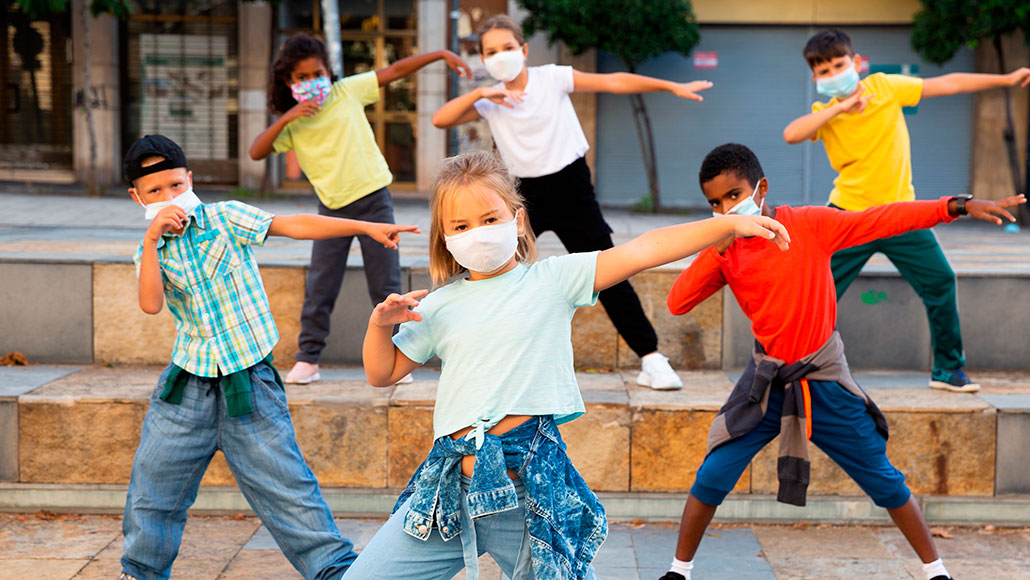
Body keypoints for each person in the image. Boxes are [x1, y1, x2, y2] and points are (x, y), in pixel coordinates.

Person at [343, 150, 790, 579]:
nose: (477, 232)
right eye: (461, 225)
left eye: (489, 219)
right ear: (445, 236)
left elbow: (643, 250)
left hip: (527, 488)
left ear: (517, 220)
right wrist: (379, 325)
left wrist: (728, 225)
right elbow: (382, 373)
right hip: (448, 490)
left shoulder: (554, 280)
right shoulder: (437, 305)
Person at [656, 143, 1024, 580]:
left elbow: (883, 219)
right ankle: (679, 572)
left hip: (824, 382)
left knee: (884, 481)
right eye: (715, 203)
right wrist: (717, 244)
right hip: (766, 383)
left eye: (734, 196)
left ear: (761, 188)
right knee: (713, 474)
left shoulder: (810, 224)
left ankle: (936, 571)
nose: (726, 208)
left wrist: (957, 205)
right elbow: (677, 302)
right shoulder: (727, 249)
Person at [118, 134, 418, 580]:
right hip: (186, 390)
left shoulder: (225, 218)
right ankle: (139, 572)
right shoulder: (150, 250)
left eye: (176, 186)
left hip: (249, 387)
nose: (169, 198)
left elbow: (296, 224)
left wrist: (364, 227)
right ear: (137, 197)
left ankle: (336, 572)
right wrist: (151, 234)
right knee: (151, 492)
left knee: (289, 491)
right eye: (155, 192)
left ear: (190, 180)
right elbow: (150, 304)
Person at [431, 14, 715, 390]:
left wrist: (669, 85)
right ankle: (475, 355)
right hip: (520, 196)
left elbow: (612, 81)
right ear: (483, 60)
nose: (500, 56)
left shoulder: (552, 77)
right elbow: (439, 119)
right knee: (490, 266)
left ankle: (651, 357)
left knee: (609, 269)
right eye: (491, 52)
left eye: (508, 48)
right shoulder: (489, 100)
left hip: (571, 188)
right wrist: (482, 92)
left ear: (524, 49)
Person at [783, 29, 1030, 392]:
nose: (832, 74)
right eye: (823, 71)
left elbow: (949, 83)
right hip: (848, 217)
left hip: (902, 216)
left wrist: (1006, 78)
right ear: (815, 78)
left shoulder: (884, 87)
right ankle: (796, 365)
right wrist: (840, 107)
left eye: (839, 65)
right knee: (817, 292)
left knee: (940, 280)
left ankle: (947, 370)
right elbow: (791, 134)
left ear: (856, 63)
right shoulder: (823, 113)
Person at [249, 34, 471, 385]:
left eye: (317, 73)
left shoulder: (346, 91)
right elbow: (256, 151)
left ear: (328, 71)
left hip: (373, 202)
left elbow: (396, 69)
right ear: (289, 82)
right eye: (302, 78)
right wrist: (288, 117)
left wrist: (442, 53)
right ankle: (308, 358)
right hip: (332, 211)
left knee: (385, 283)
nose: (311, 82)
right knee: (321, 285)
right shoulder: (293, 123)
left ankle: (398, 355)